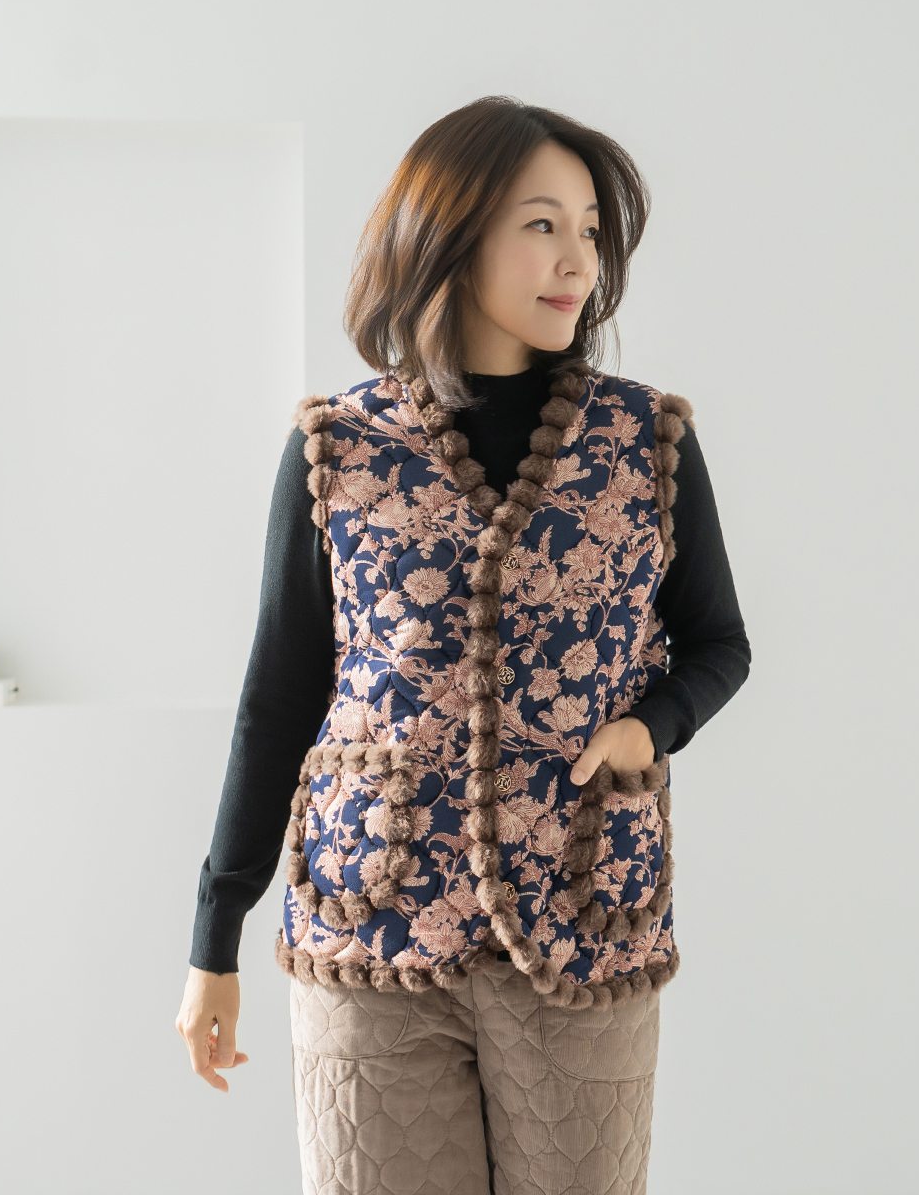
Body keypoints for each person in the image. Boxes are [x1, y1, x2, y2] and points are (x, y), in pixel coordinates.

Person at [176, 95, 751, 1194]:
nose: (576, 260)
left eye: (590, 231)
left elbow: (718, 643)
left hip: (582, 919)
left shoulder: (645, 441)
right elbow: (278, 698)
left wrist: (649, 726)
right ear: (451, 233)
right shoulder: (337, 450)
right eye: (542, 224)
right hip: (369, 926)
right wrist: (215, 936)